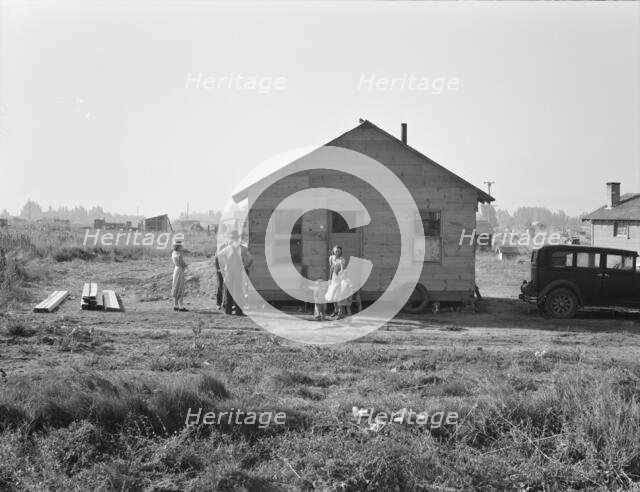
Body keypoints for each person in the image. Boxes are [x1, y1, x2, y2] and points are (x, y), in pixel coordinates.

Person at [217, 230, 246, 316]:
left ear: (231, 238)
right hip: (238, 272)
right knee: (238, 291)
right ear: (238, 238)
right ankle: (238, 311)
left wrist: (225, 262)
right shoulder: (242, 248)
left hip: (229, 271)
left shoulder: (228, 248)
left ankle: (228, 310)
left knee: (228, 291)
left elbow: (218, 255)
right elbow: (249, 258)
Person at [325, 245, 347, 319]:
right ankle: (336, 311)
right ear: (334, 251)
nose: (337, 252)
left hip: (340, 279)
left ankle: (340, 313)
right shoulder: (331, 258)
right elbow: (331, 269)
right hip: (334, 278)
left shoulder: (342, 260)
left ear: (341, 252)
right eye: (336, 251)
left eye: (339, 251)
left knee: (339, 297)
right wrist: (330, 279)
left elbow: (342, 270)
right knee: (333, 296)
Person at [171, 239, 188, 312]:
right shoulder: (179, 254)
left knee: (175, 286)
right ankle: (181, 306)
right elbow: (182, 263)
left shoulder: (174, 252)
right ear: (179, 246)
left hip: (176, 270)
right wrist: (186, 266)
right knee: (180, 287)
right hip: (180, 270)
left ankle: (175, 305)